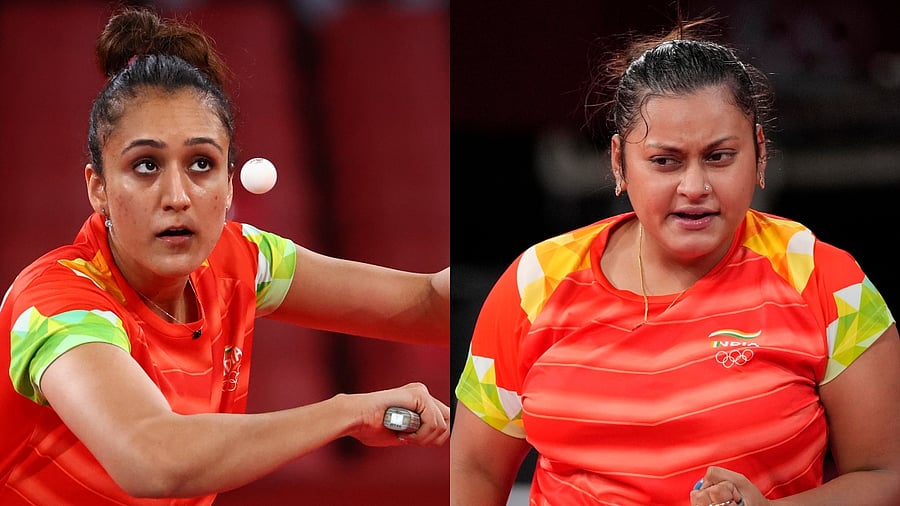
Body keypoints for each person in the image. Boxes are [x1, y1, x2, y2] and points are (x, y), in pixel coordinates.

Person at [0, 6, 449, 505]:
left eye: (201, 163)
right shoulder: (56, 303)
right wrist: (347, 413)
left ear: (229, 184)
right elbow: (152, 458)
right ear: (98, 188)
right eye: (146, 165)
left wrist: (531, 272)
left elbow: (429, 304)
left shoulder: (239, 262)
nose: (177, 195)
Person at [450, 16, 900, 506]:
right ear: (619, 163)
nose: (694, 187)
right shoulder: (534, 283)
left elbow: (886, 476)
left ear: (761, 154)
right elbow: (472, 469)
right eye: (665, 161)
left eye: (720, 156)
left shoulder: (824, 279)